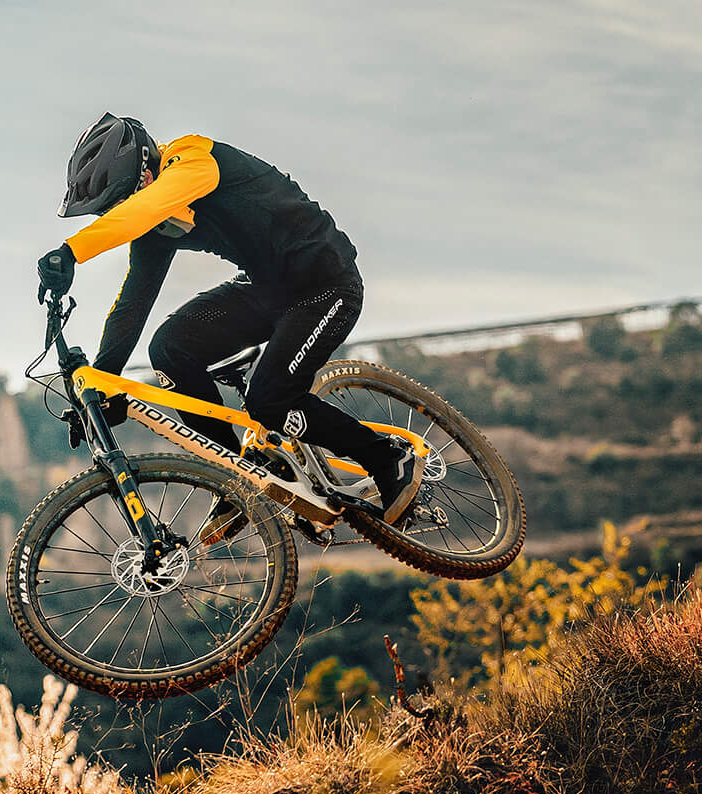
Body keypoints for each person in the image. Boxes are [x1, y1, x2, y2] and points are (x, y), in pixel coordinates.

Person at [36, 113, 420, 525]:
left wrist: (73, 251)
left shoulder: (193, 159)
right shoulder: (156, 226)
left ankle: (387, 458)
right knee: (169, 349)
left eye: (117, 203)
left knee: (268, 401)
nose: (116, 213)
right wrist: (103, 380)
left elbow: (148, 206)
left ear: (144, 174)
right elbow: (133, 303)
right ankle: (236, 481)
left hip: (325, 286)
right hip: (267, 290)